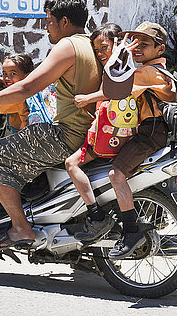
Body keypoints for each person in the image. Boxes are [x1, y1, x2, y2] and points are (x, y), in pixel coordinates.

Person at [0, 0, 102, 249]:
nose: (45, 27)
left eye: (49, 21)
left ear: (64, 21)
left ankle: (21, 228)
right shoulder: (90, 44)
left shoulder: (67, 46)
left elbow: (27, 87)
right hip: (87, 132)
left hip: (65, 134)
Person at [105, 21, 177, 260]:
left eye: (143, 44)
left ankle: (130, 231)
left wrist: (84, 98)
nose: (136, 48)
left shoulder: (147, 72)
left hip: (150, 133)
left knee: (116, 174)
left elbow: (113, 90)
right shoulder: (156, 70)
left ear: (160, 49)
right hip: (151, 131)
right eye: (133, 42)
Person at [64, 23, 137, 242]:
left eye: (104, 47)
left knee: (71, 164)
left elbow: (114, 92)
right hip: (122, 133)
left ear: (117, 43)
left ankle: (96, 215)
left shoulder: (119, 66)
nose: (100, 54)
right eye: (97, 50)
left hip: (107, 137)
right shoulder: (126, 64)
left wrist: (87, 99)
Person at [0, 54, 54, 133]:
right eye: (5, 74)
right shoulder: (34, 86)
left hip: (23, 135)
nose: (7, 78)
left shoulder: (18, 96)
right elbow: (16, 82)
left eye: (13, 74)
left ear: (27, 76)